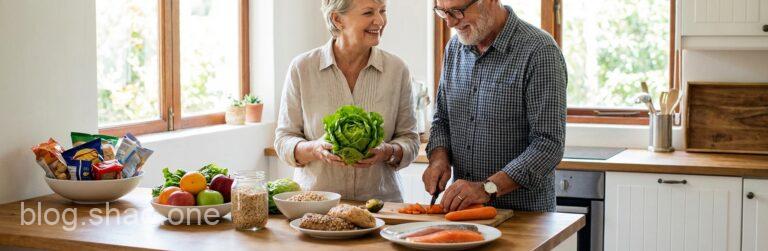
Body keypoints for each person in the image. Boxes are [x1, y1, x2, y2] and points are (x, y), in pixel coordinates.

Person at [423, 0, 567, 212]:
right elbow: (442, 119)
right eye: (443, 13)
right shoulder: (454, 49)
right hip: (465, 214)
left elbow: (548, 144)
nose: (450, 23)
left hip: (524, 218)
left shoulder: (539, 51)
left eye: (458, 11)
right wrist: (438, 159)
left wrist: (487, 188)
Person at [274, 0, 419, 202]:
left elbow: (410, 139)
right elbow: (283, 140)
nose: (379, 20)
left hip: (382, 207)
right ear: (337, 19)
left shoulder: (397, 69)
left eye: (382, 11)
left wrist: (388, 151)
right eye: (368, 12)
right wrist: (315, 149)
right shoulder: (302, 68)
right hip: (317, 206)